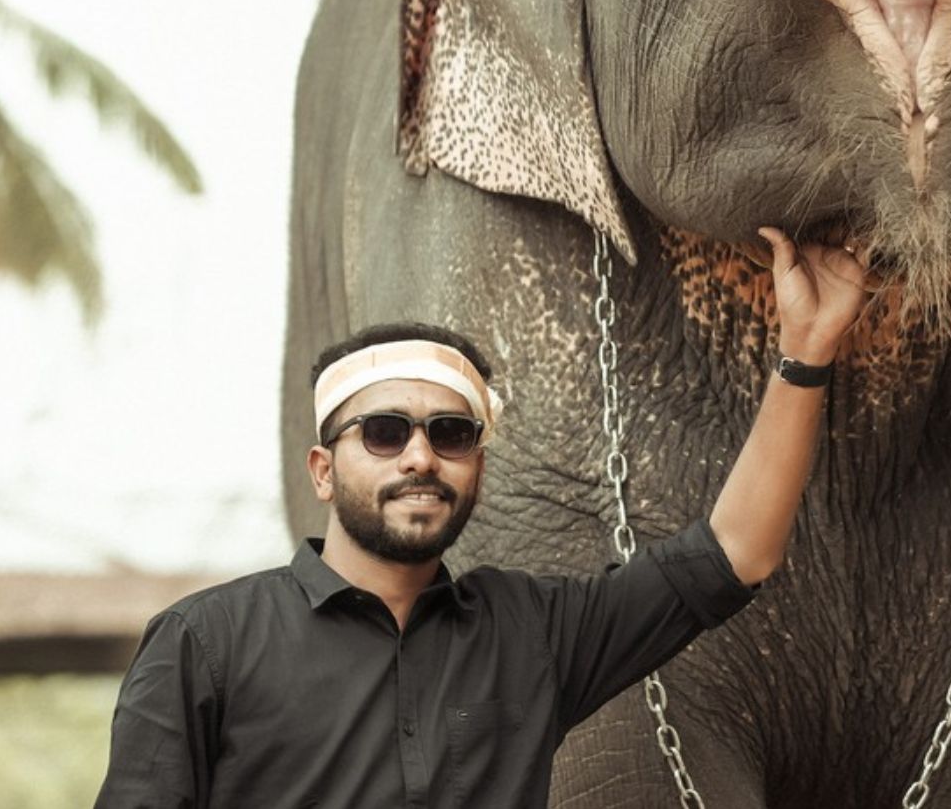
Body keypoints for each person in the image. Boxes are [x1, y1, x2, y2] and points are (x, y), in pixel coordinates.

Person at [94, 226, 864, 809]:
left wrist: (807, 349)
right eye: (385, 431)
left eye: (451, 433)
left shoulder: (529, 633)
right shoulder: (205, 643)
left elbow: (734, 555)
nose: (420, 457)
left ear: (477, 468)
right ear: (323, 471)